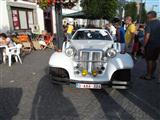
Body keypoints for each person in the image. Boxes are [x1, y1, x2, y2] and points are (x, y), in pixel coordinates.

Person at [140, 11, 160, 80]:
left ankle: (148, 75)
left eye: (147, 16)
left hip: (150, 45)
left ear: (150, 16)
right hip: (158, 45)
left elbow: (147, 36)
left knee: (149, 60)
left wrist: (143, 46)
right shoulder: (159, 23)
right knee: (154, 60)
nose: (146, 18)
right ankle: (152, 74)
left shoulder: (149, 24)